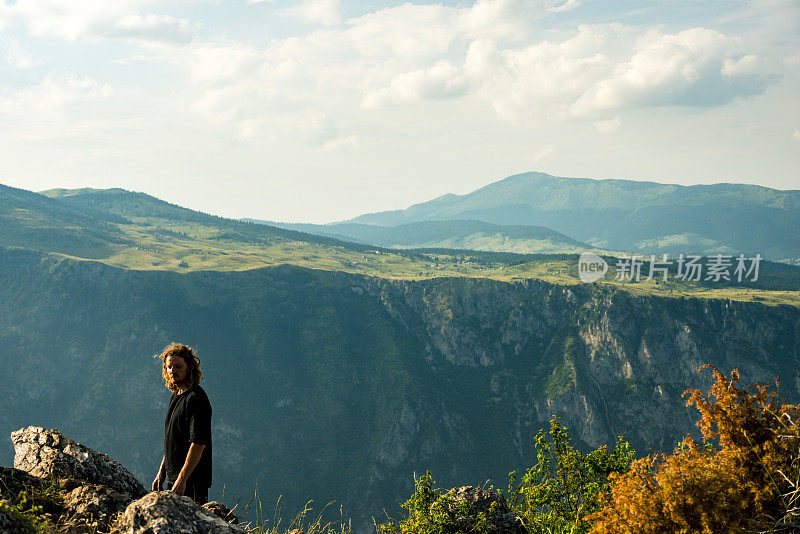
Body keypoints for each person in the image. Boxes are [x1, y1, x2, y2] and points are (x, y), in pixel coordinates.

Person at [152, 343, 213, 504]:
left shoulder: (196, 398)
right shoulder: (177, 395)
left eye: (178, 366)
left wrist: (182, 479)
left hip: (192, 482)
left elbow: (198, 443)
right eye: (169, 367)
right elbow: (172, 440)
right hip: (175, 479)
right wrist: (161, 473)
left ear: (189, 368)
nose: (173, 371)